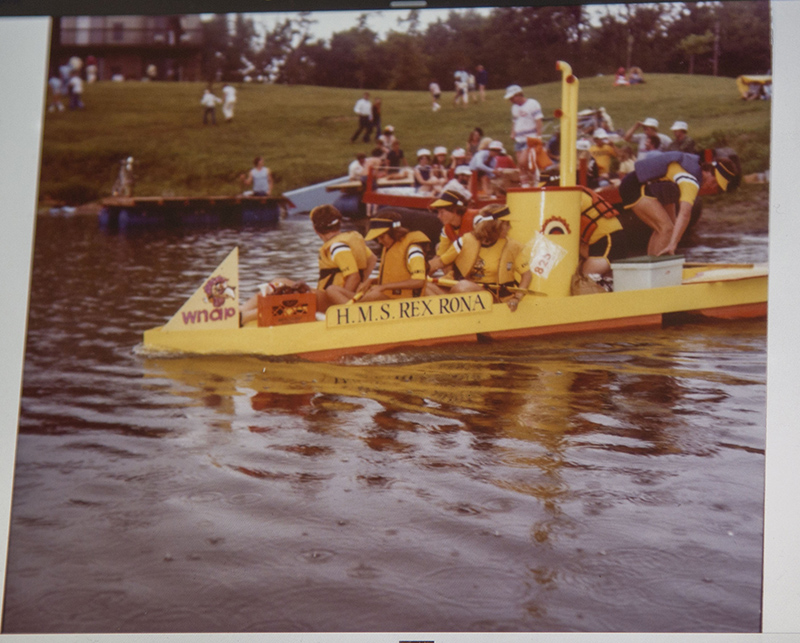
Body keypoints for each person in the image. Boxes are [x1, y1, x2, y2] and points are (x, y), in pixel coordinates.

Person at [240, 205, 377, 322]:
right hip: (335, 295)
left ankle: (243, 315)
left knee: (279, 284)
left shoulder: (337, 247)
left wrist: (345, 301)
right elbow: (372, 259)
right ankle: (243, 312)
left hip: (332, 300)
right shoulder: (351, 240)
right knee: (282, 284)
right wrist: (359, 287)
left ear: (315, 229)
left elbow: (353, 275)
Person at [619, 150, 740, 255]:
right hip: (635, 187)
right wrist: (673, 245)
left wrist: (672, 238)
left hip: (635, 184)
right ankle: (655, 274)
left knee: (664, 228)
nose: (712, 186)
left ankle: (651, 268)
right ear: (709, 171)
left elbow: (670, 201)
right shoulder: (690, 181)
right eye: (714, 182)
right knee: (666, 229)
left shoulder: (691, 168)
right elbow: (685, 214)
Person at [433, 204, 532, 313]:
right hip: (462, 296)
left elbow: (526, 274)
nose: (510, 227)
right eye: (507, 224)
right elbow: (440, 262)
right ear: (496, 225)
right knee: (426, 287)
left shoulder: (512, 247)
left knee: (463, 286)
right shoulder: (464, 241)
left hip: (493, 298)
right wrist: (417, 273)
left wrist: (517, 297)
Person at [357, 212, 441, 302]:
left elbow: (419, 281)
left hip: (409, 304)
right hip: (393, 300)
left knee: (373, 296)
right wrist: (371, 280)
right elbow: (394, 278)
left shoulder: (413, 250)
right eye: (377, 238)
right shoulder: (389, 248)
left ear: (394, 233)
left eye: (382, 237)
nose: (380, 241)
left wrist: (383, 287)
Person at [427, 189, 481, 274]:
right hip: (465, 259)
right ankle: (450, 277)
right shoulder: (446, 230)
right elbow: (439, 256)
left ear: (455, 210)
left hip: (481, 261)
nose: (438, 216)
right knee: (439, 247)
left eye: (442, 212)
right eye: (438, 212)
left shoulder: (477, 221)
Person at [504, 84, 543, 178]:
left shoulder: (532, 104)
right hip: (519, 138)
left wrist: (538, 135)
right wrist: (513, 132)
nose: (511, 101)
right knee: (521, 165)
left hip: (530, 137)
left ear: (518, 95)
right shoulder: (514, 108)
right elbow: (515, 121)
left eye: (512, 98)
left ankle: (536, 178)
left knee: (523, 161)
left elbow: (538, 120)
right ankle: (525, 183)